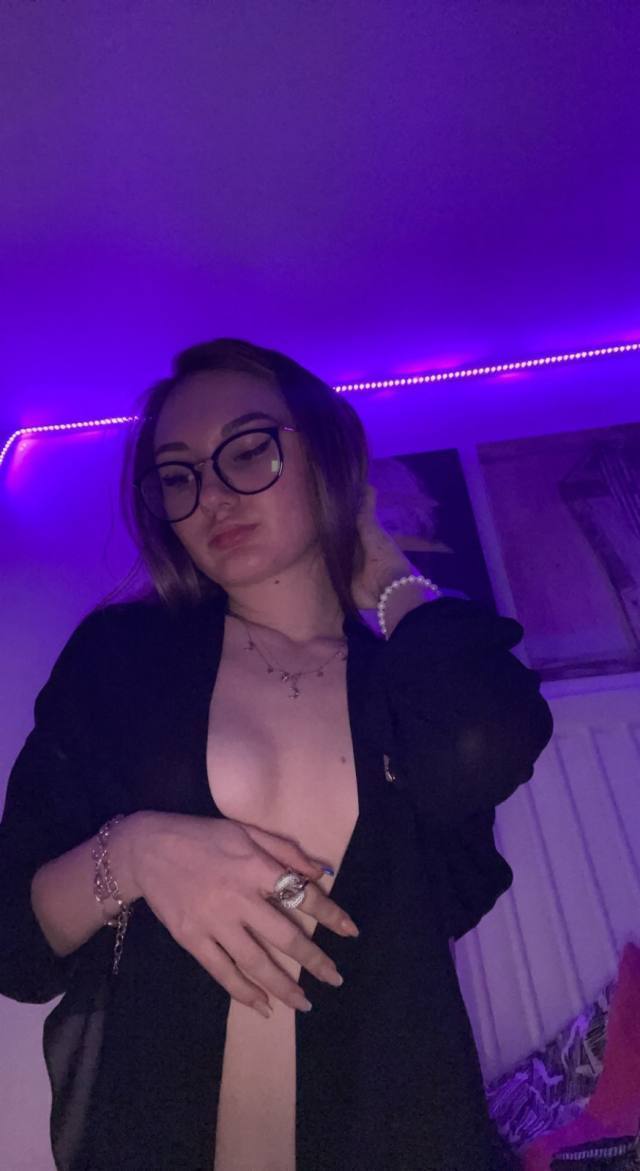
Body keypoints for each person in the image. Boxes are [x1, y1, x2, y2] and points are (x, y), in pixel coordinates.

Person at [0, 338, 553, 1171]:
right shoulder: (122, 659)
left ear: (326, 455)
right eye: (178, 475)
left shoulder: (399, 680)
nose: (213, 494)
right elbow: (13, 934)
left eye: (249, 448)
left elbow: (488, 740)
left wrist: (382, 570)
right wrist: (138, 851)